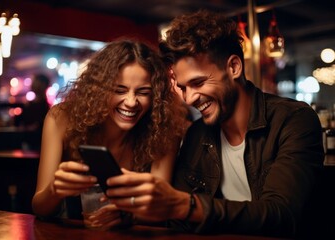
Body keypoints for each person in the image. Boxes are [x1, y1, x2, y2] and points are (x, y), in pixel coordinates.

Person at [104, 10, 324, 238]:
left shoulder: (293, 120)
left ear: (234, 67)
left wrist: (186, 205)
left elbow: (281, 215)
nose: (189, 98)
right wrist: (131, 215)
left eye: (198, 82)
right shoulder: (197, 135)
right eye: (183, 88)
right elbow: (178, 222)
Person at [31, 39, 189, 229]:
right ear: (98, 90)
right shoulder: (61, 119)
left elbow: (160, 209)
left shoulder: (165, 129)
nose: (131, 102)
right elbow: (39, 207)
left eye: (143, 92)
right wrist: (55, 190)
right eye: (119, 90)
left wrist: (128, 216)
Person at [14, 73, 50, 150]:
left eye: (35, 82)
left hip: (35, 143)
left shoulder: (43, 106)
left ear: (42, 85)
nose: (32, 84)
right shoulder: (30, 104)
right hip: (29, 141)